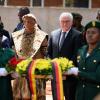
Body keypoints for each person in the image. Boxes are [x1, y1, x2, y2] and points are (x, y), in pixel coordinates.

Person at [47, 12, 85, 100]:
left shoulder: (77, 35)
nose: (64, 23)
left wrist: (66, 67)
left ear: (72, 22)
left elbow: (77, 54)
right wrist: (52, 65)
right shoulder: (53, 34)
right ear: (60, 22)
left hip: (69, 77)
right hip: (55, 75)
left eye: (67, 21)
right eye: (62, 21)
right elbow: (49, 53)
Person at [12, 13, 48, 100]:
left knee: (36, 95)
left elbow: (45, 54)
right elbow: (15, 53)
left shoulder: (42, 36)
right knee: (19, 96)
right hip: (20, 72)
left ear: (35, 23)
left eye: (30, 22)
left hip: (36, 72)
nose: (27, 23)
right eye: (26, 21)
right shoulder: (17, 35)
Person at [67, 21, 100, 100]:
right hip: (80, 94)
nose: (89, 35)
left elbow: (97, 77)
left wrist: (77, 72)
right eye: (87, 32)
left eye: (93, 32)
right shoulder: (81, 50)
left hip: (95, 94)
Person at [0, 33, 15, 100]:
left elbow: (14, 75)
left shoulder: (9, 53)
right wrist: (3, 71)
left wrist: (13, 69)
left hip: (5, 89)